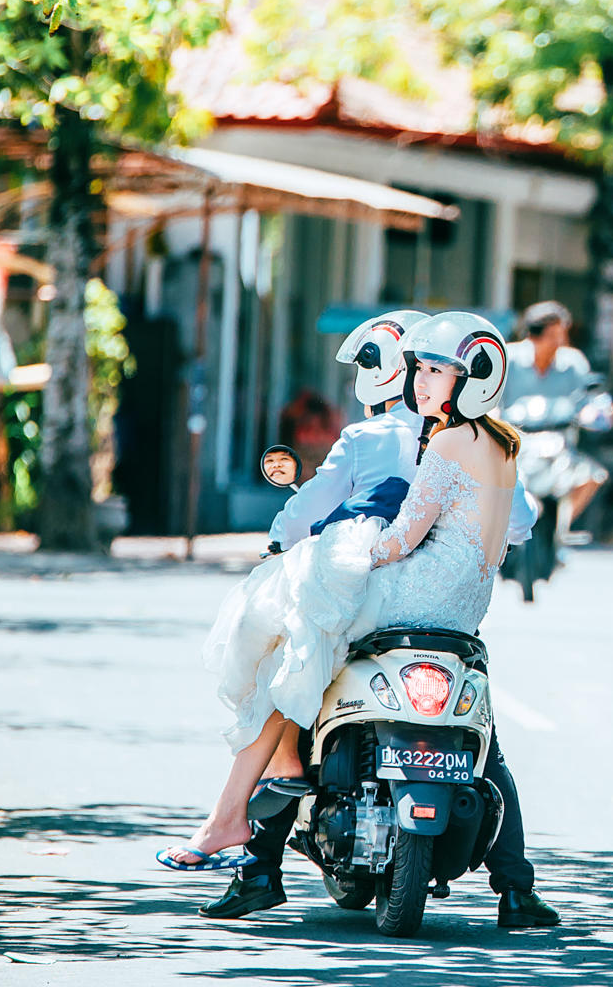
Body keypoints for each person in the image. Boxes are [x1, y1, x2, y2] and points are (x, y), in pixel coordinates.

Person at [158, 311, 559, 929]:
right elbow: (518, 526)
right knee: (487, 744)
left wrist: (337, 554)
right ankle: (515, 887)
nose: (420, 384)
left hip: (403, 592)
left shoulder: (412, 437)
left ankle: (256, 860)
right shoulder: (501, 444)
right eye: (420, 371)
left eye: (433, 372)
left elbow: (358, 525)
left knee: (296, 671)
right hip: (462, 615)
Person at [502, 301, 609, 529]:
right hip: (515, 445)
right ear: (532, 335)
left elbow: (588, 401)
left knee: (592, 477)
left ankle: (560, 532)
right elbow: (490, 401)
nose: (558, 342)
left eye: (562, 335)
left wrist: (595, 413)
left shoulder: (573, 361)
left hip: (559, 445)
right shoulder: (509, 359)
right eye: (552, 336)